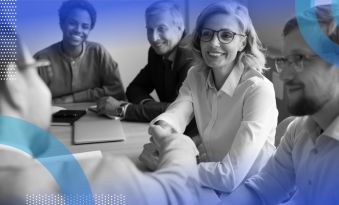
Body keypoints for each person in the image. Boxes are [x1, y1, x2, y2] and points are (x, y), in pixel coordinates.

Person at [0, 22, 203, 205]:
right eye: (35, 69)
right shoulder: (95, 183)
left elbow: (120, 90)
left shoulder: (189, 60)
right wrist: (180, 144)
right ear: (14, 85)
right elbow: (178, 193)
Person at [220, 4, 339, 205]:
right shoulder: (300, 129)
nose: (284, 75)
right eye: (284, 60)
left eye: (299, 59)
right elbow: (262, 190)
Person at [144, 0, 278, 198]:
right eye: (207, 34)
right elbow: (176, 115)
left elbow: (229, 176)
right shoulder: (195, 76)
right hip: (210, 184)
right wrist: (160, 134)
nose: (214, 43)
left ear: (242, 42)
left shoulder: (258, 90)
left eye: (226, 35)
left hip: (251, 192)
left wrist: (170, 167)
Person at [96, 0, 195, 123]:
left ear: (180, 28)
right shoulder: (156, 53)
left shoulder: (192, 58)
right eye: (150, 29)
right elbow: (134, 88)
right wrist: (149, 107)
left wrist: (121, 109)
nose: (154, 38)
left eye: (161, 28)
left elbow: (179, 110)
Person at [34, 0, 125, 103]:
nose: (78, 30)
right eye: (72, 23)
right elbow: (30, 101)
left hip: (94, 117)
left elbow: (117, 91)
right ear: (62, 24)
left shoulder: (99, 52)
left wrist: (72, 98)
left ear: (90, 29)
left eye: (85, 26)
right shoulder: (41, 59)